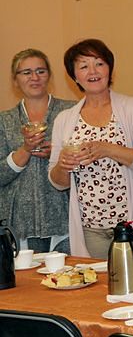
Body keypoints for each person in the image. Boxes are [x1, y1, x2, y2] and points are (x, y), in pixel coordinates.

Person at [48, 39, 133, 260]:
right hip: (90, 228)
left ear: (110, 69)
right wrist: (63, 165)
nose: (92, 71)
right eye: (83, 66)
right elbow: (58, 182)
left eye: (99, 63)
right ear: (74, 77)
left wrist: (108, 149)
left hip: (132, 225)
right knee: (97, 291)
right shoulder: (65, 119)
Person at [0, 49, 75, 253]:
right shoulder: (4, 121)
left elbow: (90, 163)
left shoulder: (72, 112)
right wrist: (24, 150)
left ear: (49, 76)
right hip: (19, 222)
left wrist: (56, 154)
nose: (34, 77)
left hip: (65, 216)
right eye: (26, 72)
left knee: (71, 278)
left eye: (40, 71)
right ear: (15, 80)